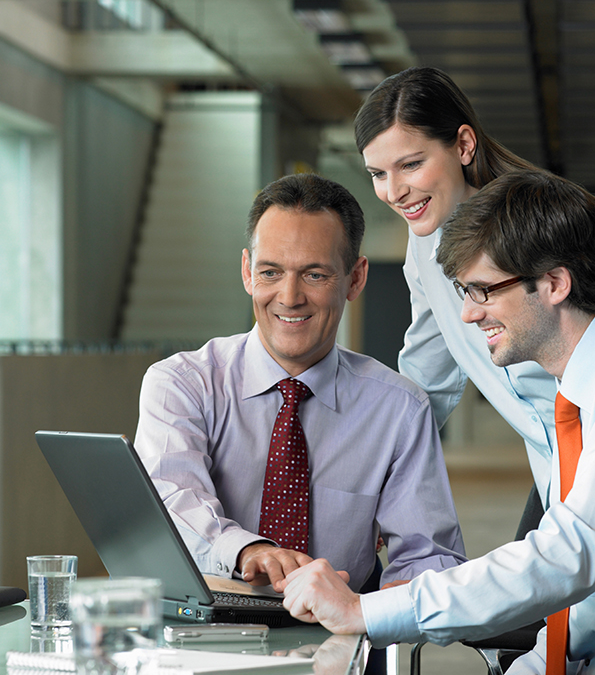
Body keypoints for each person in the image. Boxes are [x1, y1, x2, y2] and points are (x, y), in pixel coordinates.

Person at [280, 170, 595, 673]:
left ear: (554, 283)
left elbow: (572, 555)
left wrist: (367, 610)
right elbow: (585, 608)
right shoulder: (573, 401)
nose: (468, 315)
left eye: (483, 291)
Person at [354, 66, 595, 501]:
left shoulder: (550, 223)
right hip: (556, 465)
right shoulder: (424, 247)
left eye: (411, 165)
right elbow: (428, 375)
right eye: (378, 174)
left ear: (464, 145)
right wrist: (374, 478)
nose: (394, 192)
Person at [133, 172, 466, 594]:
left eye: (315, 275)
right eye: (271, 272)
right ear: (247, 272)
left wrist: (393, 602)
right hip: (207, 621)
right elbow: (171, 501)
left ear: (356, 279)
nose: (289, 297)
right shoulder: (182, 385)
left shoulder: (399, 409)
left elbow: (430, 556)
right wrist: (247, 551)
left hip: (339, 623)